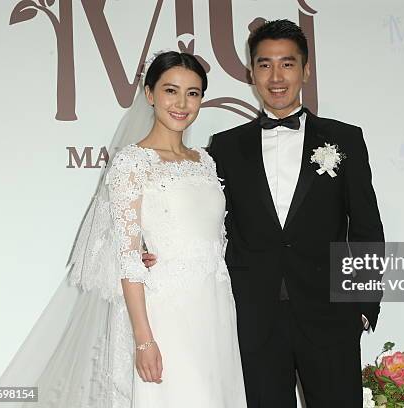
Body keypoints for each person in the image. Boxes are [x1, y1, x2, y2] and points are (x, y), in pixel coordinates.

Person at [0, 51, 246, 407]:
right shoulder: (131, 163)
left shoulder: (205, 161)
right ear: (150, 94)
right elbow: (127, 258)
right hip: (165, 313)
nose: (182, 103)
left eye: (193, 93)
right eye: (171, 90)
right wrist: (143, 339)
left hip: (214, 309)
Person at [143, 20, 384, 407]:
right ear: (251, 72)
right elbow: (203, 223)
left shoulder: (345, 139)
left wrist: (364, 307)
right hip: (252, 320)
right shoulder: (223, 148)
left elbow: (368, 228)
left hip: (331, 317)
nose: (276, 76)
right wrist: (149, 250)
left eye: (287, 64)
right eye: (264, 64)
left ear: (305, 70)